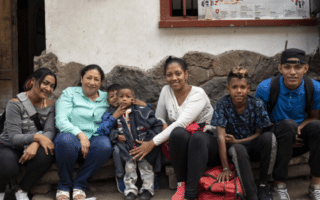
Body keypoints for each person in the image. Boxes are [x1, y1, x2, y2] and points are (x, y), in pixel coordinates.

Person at [130, 57, 215, 200]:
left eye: (178, 73)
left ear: (186, 74)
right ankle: (181, 184)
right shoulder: (166, 91)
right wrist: (163, 124)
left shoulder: (198, 94)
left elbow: (182, 123)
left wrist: (151, 143)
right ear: (165, 77)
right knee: (177, 133)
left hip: (207, 142)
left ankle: (191, 193)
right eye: (169, 75)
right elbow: (159, 117)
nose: (174, 78)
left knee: (196, 137)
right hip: (183, 141)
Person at [255, 48, 320, 200]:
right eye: (287, 67)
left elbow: (313, 117)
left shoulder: (315, 88)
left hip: (298, 139)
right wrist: (287, 132)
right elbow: (259, 122)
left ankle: (316, 185)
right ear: (280, 68)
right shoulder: (266, 88)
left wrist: (298, 130)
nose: (292, 72)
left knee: (318, 127)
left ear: (306, 68)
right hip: (275, 138)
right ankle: (279, 185)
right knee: (288, 126)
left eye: (298, 67)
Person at [211, 67, 276, 200]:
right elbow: (221, 137)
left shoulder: (257, 104)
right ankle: (251, 195)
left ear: (248, 88)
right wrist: (225, 168)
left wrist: (237, 141)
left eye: (242, 87)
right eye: (235, 87)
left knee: (269, 137)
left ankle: (263, 184)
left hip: (251, 143)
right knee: (238, 149)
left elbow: (259, 133)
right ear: (228, 89)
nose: (239, 91)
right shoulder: (222, 105)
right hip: (235, 149)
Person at [54, 65, 113, 200]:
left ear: (100, 82)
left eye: (96, 79)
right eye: (88, 78)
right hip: (71, 136)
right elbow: (61, 120)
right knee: (65, 141)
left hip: (96, 138)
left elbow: (125, 103)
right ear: (81, 79)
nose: (92, 82)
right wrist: (80, 135)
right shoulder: (70, 93)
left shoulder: (107, 97)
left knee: (105, 145)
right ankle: (64, 186)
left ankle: (79, 185)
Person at [0, 68, 57, 200]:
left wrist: (36, 143)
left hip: (32, 144)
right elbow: (14, 138)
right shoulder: (14, 104)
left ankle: (22, 190)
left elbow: (50, 131)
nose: (48, 88)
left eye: (52, 86)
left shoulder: (50, 106)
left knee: (46, 154)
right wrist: (36, 137)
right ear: (32, 81)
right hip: (9, 146)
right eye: (45, 83)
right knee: (8, 166)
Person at [96, 84, 159, 194]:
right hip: (124, 145)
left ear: (132, 98)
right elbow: (106, 129)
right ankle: (125, 183)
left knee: (146, 164)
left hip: (140, 143)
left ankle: (148, 187)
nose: (121, 99)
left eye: (126, 96)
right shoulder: (111, 113)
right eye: (118, 97)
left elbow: (152, 120)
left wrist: (149, 139)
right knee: (124, 161)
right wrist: (116, 134)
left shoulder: (138, 110)